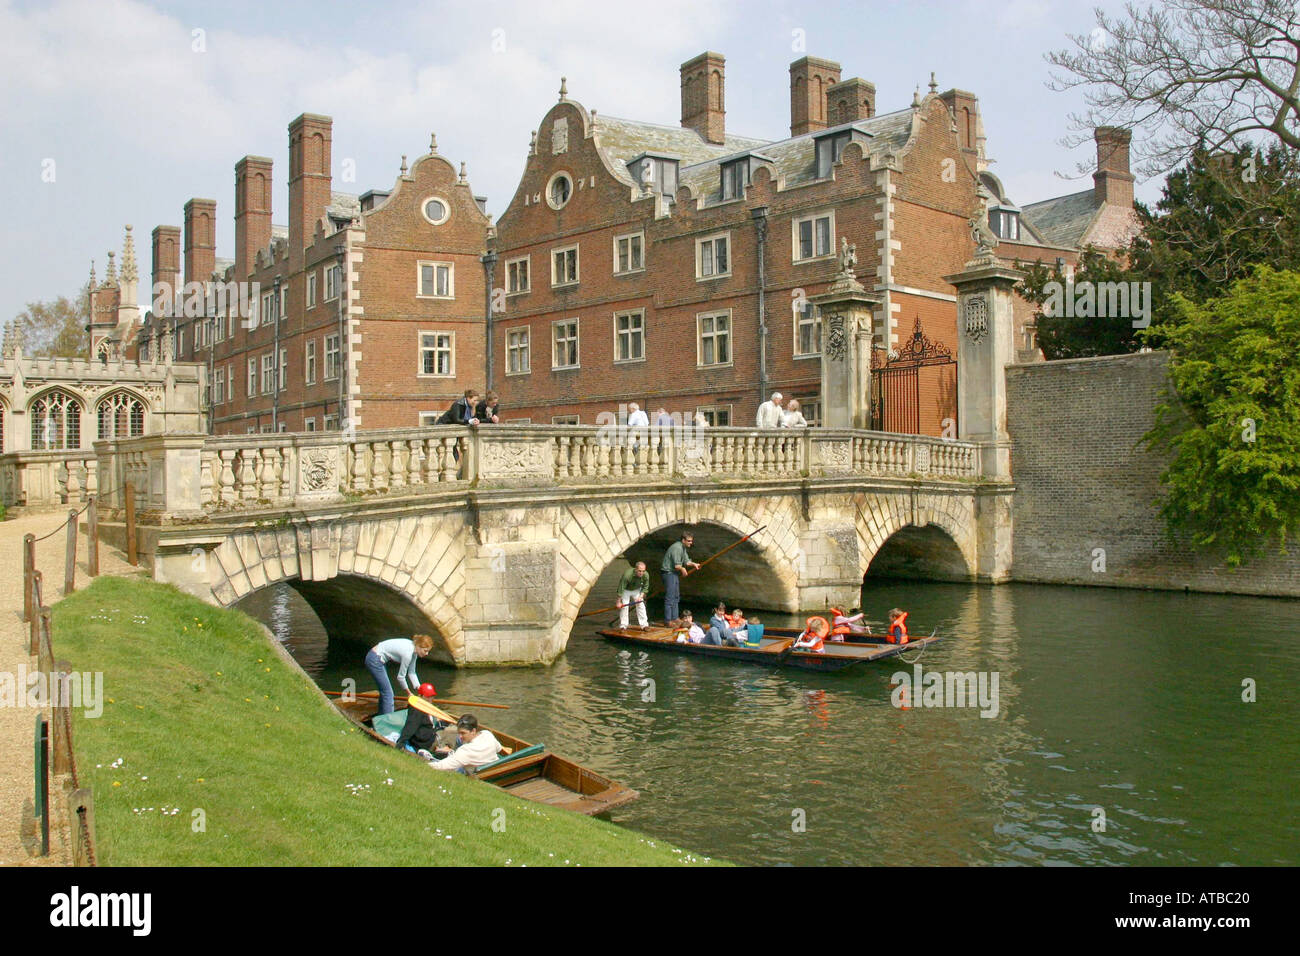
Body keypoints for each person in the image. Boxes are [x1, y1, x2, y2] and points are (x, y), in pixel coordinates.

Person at [365, 634, 433, 715]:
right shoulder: (408, 653)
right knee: (388, 694)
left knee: (385, 693)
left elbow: (412, 672)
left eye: (428, 651)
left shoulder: (414, 652)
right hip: (374, 659)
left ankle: (381, 716)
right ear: (418, 646)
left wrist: (420, 689)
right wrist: (409, 693)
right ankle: (387, 722)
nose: (427, 654)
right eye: (425, 650)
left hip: (377, 658)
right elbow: (400, 677)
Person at [428, 714, 505, 773]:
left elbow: (442, 766)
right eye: (459, 733)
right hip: (495, 767)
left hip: (476, 772)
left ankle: (436, 757)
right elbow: (499, 749)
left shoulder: (466, 750)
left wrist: (427, 764)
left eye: (463, 733)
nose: (460, 736)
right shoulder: (487, 734)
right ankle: (451, 753)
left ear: (473, 731)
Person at [661, 532, 700, 623]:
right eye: (689, 541)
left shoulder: (683, 548)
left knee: (676, 596)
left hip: (673, 574)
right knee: (670, 598)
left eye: (691, 541)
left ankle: (675, 618)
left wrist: (694, 564)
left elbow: (686, 561)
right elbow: (677, 565)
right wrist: (683, 569)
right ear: (683, 540)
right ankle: (668, 621)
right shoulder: (677, 548)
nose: (691, 543)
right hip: (668, 573)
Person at [396, 682, 444, 755]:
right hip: (425, 742)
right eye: (428, 696)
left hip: (430, 736)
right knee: (452, 732)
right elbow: (410, 726)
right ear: (420, 696)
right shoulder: (417, 710)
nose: (430, 699)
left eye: (432, 696)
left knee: (447, 726)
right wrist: (401, 742)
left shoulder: (426, 707)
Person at [617, 560, 652, 630]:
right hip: (626, 590)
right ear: (635, 569)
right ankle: (623, 625)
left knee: (641, 605)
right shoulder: (627, 575)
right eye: (639, 571)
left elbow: (645, 587)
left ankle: (644, 625)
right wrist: (618, 602)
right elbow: (621, 588)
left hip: (636, 590)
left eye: (643, 571)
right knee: (625, 606)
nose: (641, 573)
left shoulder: (646, 575)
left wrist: (641, 596)